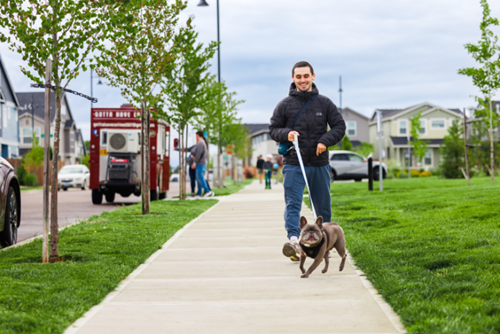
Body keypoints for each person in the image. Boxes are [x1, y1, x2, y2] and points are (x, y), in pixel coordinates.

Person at [269, 61, 346, 261]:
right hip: (294, 163)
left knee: (322, 206)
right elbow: (273, 130)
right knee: (293, 203)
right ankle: (294, 240)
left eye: (305, 76)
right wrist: (287, 134)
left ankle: (323, 242)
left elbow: (339, 127)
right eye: (298, 76)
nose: (302, 80)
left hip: (319, 163)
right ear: (293, 79)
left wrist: (325, 141)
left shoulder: (325, 103)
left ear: (313, 76)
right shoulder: (284, 105)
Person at [192, 131, 214, 197]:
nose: (195, 137)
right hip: (201, 162)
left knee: (200, 177)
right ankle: (199, 193)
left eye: (196, 135)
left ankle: (207, 190)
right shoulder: (201, 143)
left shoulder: (201, 143)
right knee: (199, 177)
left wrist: (195, 162)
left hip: (200, 163)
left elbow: (198, 154)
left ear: (198, 135)